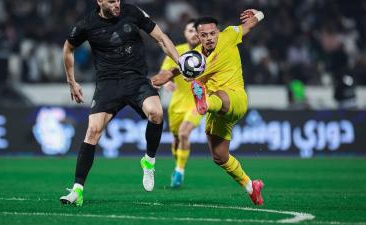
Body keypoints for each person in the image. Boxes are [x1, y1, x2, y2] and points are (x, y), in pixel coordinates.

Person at [60, 0, 180, 206]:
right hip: (108, 84)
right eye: (112, 1)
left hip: (136, 79)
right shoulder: (86, 25)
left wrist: (180, 61)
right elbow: (68, 48)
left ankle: (148, 161)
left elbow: (161, 38)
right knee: (92, 131)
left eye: (118, 0)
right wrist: (71, 81)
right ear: (100, 2)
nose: (117, 4)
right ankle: (77, 191)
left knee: (157, 113)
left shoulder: (132, 12)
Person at [151, 10, 265, 205]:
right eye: (204, 35)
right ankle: (250, 186)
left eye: (212, 33)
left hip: (234, 98)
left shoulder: (229, 35)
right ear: (198, 36)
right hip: (215, 110)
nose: (209, 38)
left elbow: (250, 24)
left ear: (218, 32)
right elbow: (177, 69)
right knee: (219, 156)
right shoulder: (194, 57)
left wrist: (259, 13)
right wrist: (162, 78)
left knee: (219, 97)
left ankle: (203, 101)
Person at [153, 19, 203, 188]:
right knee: (176, 139)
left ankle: (180, 171)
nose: (194, 33)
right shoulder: (177, 51)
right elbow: (164, 72)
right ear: (185, 33)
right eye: (190, 30)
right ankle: (178, 166)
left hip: (197, 103)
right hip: (177, 104)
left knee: (184, 134)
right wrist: (166, 81)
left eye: (196, 30)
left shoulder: (207, 52)